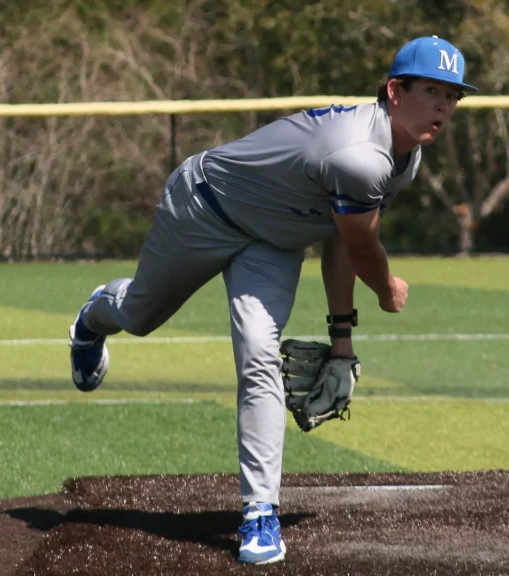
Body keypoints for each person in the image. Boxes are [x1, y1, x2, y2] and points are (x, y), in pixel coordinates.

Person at [67, 35, 477, 565]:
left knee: (260, 353)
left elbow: (339, 240)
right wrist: (387, 288)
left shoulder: (405, 157)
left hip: (274, 244)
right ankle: (96, 314)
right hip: (203, 209)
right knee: (139, 315)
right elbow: (362, 246)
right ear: (395, 91)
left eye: (454, 96)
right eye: (432, 90)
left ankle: (259, 513)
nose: (444, 105)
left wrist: (342, 342)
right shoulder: (360, 154)